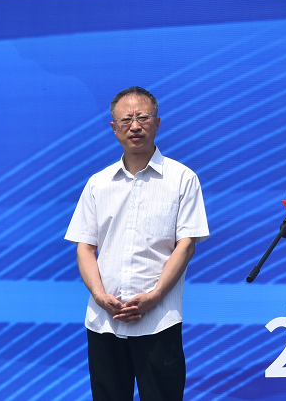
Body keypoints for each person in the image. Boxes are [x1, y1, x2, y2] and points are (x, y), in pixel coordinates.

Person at [65, 86, 210, 401]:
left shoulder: (183, 179)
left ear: (157, 123)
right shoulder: (98, 183)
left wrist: (155, 296)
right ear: (114, 128)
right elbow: (85, 247)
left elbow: (186, 245)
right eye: (126, 120)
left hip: (159, 320)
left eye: (143, 118)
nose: (135, 126)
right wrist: (99, 295)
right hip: (105, 321)